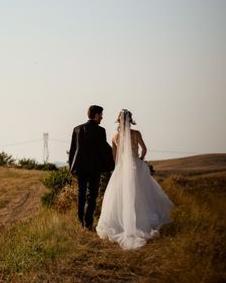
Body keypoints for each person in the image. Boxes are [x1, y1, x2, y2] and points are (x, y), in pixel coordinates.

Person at [96, 109, 174, 250]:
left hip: (122, 167)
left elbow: (115, 157)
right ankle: (140, 220)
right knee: (141, 194)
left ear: (119, 120)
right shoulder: (136, 133)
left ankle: (123, 222)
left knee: (121, 196)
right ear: (130, 120)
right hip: (136, 166)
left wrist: (118, 169)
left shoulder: (114, 136)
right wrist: (141, 160)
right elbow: (144, 149)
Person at [69, 105, 115, 229]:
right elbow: (104, 149)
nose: (102, 117)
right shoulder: (100, 131)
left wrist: (71, 167)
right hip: (94, 168)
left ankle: (81, 221)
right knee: (92, 195)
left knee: (81, 194)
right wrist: (114, 161)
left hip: (79, 167)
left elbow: (72, 150)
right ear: (96, 115)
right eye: (101, 115)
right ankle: (88, 223)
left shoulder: (77, 129)